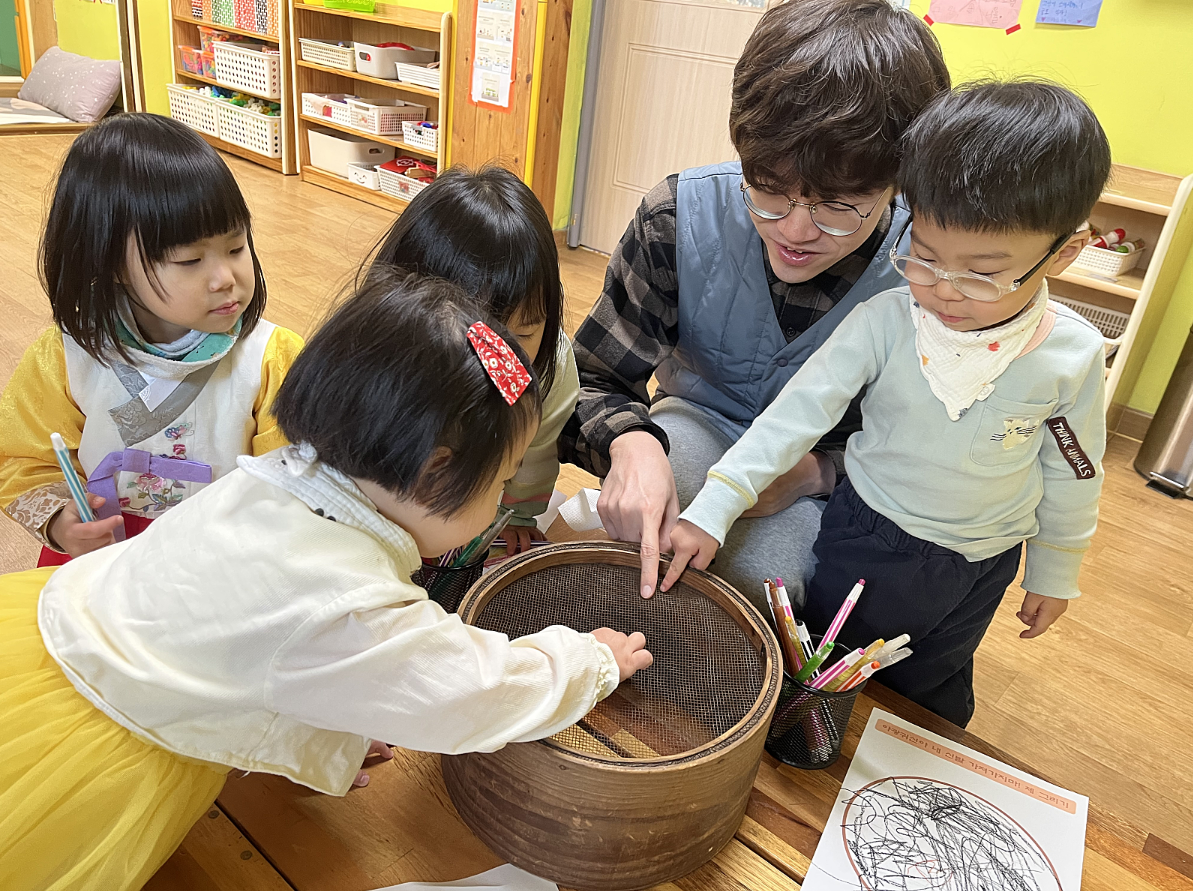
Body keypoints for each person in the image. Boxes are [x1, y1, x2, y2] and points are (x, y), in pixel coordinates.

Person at [0, 271, 652, 890]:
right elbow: (472, 690)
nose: (506, 495)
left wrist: (321, 733)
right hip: (88, 758)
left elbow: (245, 651)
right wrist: (589, 660)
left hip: (47, 637)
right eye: (501, 479)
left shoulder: (272, 478)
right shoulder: (352, 597)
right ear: (434, 472)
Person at [663, 80, 1111, 727]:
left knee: (933, 691)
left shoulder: (1071, 354)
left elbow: (1072, 468)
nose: (943, 291)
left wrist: (1054, 569)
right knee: (824, 687)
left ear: (1063, 251)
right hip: (870, 539)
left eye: (982, 273)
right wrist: (714, 505)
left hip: (984, 562)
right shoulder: (885, 321)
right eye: (923, 256)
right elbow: (792, 418)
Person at [559, 0, 951, 606]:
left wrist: (817, 473)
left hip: (823, 477)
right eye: (767, 191)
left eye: (839, 206)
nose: (794, 230)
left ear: (898, 182)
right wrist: (628, 443)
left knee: (773, 585)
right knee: (641, 532)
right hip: (696, 427)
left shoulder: (924, 268)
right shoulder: (677, 217)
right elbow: (586, 377)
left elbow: (933, 453)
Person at [0, 113, 304, 566]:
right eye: (189, 260)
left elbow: (295, 478)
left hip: (223, 560)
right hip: (102, 558)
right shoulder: (67, 355)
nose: (226, 278)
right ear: (109, 266)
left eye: (237, 247)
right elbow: (24, 460)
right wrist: (62, 520)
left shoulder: (269, 357)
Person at [368, 165, 577, 554]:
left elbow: (535, 455)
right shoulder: (382, 359)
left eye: (525, 334)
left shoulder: (552, 370)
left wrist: (516, 518)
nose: (502, 355)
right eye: (480, 333)